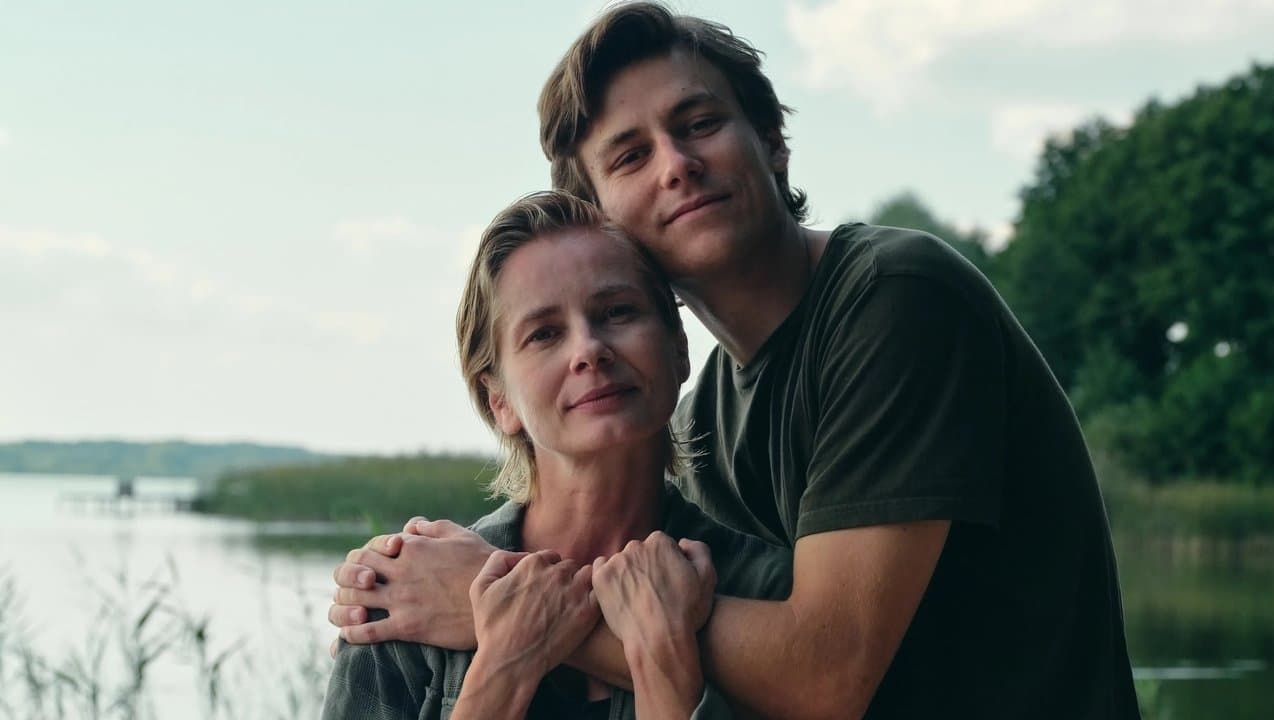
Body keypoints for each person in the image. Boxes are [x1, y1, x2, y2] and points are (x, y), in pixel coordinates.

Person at [331, 3, 1140, 718]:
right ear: (601, 214)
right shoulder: (709, 421)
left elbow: (824, 678)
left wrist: (492, 603)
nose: (676, 164)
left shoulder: (896, 297)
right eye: (630, 156)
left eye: (699, 123)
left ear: (772, 140)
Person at [322, 190, 791, 719]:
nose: (589, 349)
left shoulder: (770, 596)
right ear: (499, 401)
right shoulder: (405, 597)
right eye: (544, 334)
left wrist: (664, 662)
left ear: (679, 348)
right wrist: (502, 667)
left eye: (617, 312)